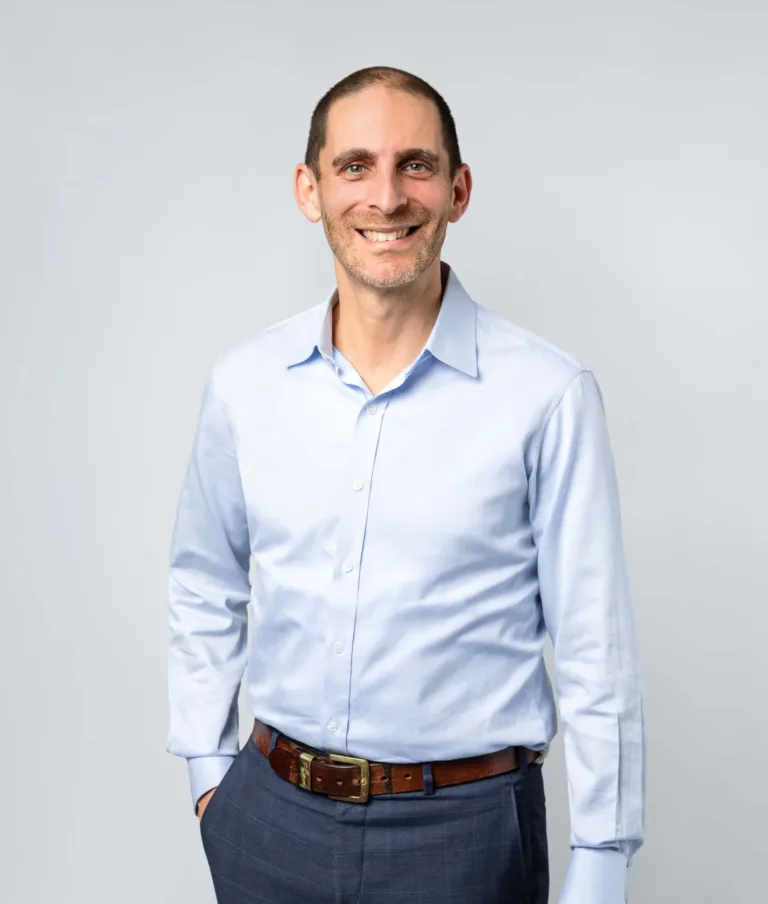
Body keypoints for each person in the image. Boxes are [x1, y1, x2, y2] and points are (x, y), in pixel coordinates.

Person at [166, 66, 645, 904]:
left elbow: (595, 650)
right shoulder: (245, 384)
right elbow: (203, 582)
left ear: (458, 190)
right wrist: (212, 779)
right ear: (308, 190)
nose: (386, 197)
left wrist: (601, 861)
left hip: (464, 837)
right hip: (267, 821)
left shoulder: (546, 395)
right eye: (354, 166)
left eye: (415, 165)